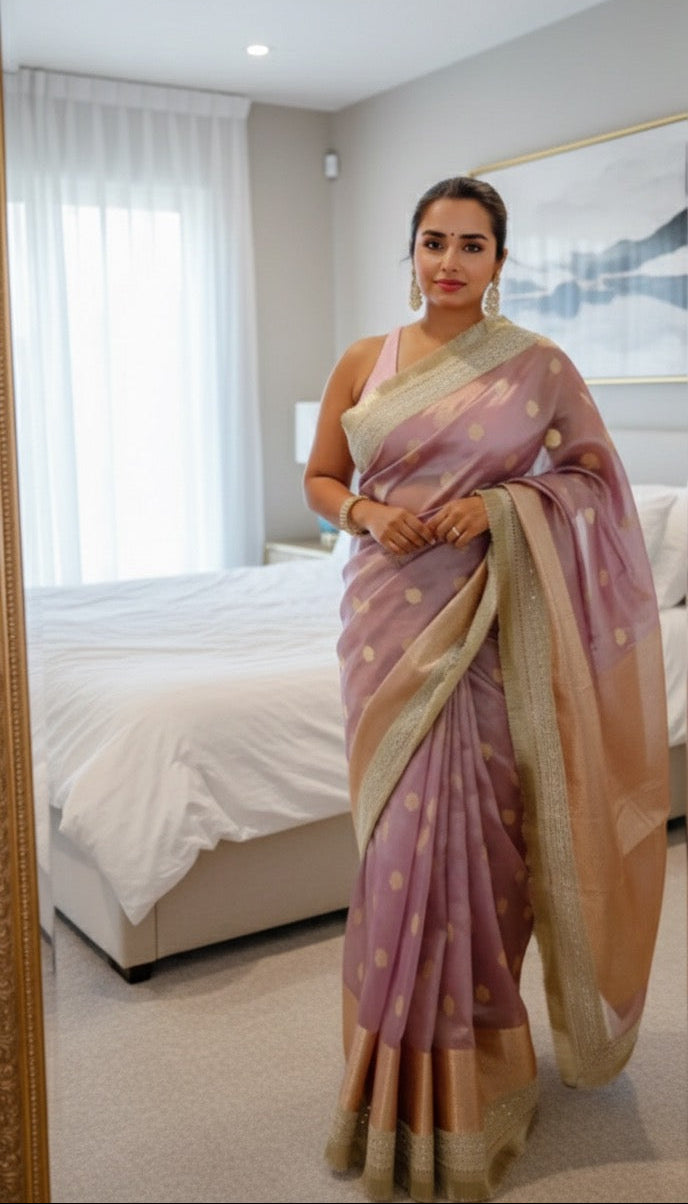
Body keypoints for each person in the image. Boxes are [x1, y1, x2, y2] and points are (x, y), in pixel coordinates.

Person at [303, 175, 669, 1203]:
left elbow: (596, 480)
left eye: (471, 244)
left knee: (475, 848)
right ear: (409, 252)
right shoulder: (361, 360)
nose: (449, 262)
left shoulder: (539, 368)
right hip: (383, 628)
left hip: (487, 627)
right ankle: (388, 1085)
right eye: (432, 242)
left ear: (500, 262)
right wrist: (369, 518)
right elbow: (323, 479)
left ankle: (479, 1073)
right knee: (394, 856)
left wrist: (501, 508)